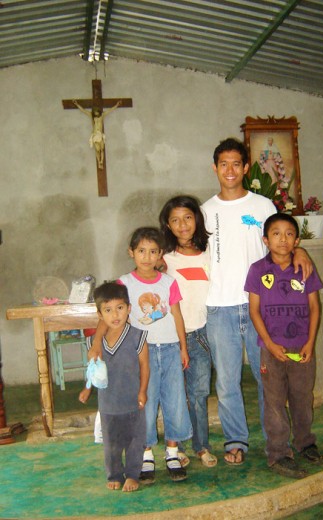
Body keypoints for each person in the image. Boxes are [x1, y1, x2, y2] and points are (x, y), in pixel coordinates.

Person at [202, 137, 312, 465]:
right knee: (227, 379)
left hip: (261, 307)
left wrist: (301, 248)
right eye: (224, 164)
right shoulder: (206, 212)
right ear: (215, 168)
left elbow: (281, 240)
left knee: (269, 378)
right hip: (219, 305)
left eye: (237, 163)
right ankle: (235, 440)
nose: (231, 170)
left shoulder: (263, 206)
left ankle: (275, 441)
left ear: (246, 167)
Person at [245, 213, 323, 479]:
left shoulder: (305, 268)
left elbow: (314, 306)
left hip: (302, 347)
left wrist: (311, 342)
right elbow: (254, 310)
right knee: (275, 402)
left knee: (302, 397)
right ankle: (278, 453)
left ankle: (305, 443)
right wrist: (269, 343)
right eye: (276, 234)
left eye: (289, 233)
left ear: (297, 240)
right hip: (271, 349)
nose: (283, 239)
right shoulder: (257, 270)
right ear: (265, 240)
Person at [119, 227, 192, 484]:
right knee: (145, 405)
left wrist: (183, 347)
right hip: (142, 354)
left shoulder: (168, 282)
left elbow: (176, 315)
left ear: (161, 254)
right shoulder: (124, 284)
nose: (147, 257)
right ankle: (145, 454)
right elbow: (120, 320)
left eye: (153, 251)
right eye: (141, 251)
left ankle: (172, 452)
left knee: (174, 400)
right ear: (131, 253)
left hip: (171, 349)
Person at [159, 195, 217, 468]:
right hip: (173, 337)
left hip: (203, 335)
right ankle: (176, 447)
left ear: (197, 219)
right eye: (175, 220)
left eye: (188, 218)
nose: (182, 225)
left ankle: (201, 445)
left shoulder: (210, 255)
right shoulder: (163, 260)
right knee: (174, 395)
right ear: (168, 225)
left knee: (199, 393)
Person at [80, 281, 149, 492]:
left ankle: (133, 475)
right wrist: (87, 389)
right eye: (108, 310)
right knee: (112, 444)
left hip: (132, 402)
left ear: (129, 308)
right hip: (108, 404)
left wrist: (142, 391)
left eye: (120, 308)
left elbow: (145, 365)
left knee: (135, 441)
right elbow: (93, 370)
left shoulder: (137, 336)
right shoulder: (97, 343)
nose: (115, 315)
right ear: (100, 315)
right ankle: (114, 475)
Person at [73, 99, 122, 168]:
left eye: (97, 111)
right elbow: (83, 111)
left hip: (100, 134)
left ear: (98, 111)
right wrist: (77, 104)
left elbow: (110, 110)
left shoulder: (102, 116)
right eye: (95, 111)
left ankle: (101, 161)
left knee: (102, 149)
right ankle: (99, 162)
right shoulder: (91, 116)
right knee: (97, 150)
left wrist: (117, 105)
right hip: (95, 135)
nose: (96, 112)